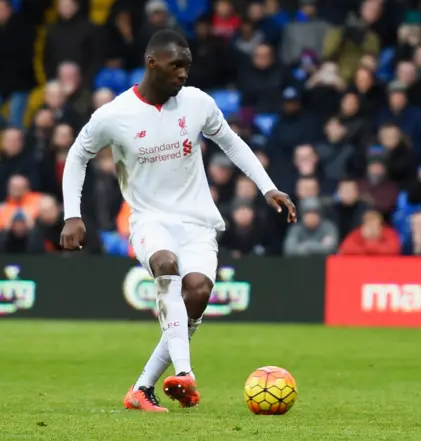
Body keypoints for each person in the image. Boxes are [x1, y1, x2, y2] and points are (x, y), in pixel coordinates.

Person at [60, 30, 296, 412]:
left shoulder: (197, 103)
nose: (183, 74)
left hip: (198, 221)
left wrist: (268, 187)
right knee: (165, 265)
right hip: (149, 219)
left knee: (198, 292)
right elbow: (77, 156)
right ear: (152, 63)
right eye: (176, 66)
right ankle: (185, 373)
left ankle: (142, 388)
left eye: (187, 66)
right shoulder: (113, 116)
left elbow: (231, 141)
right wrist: (73, 214)